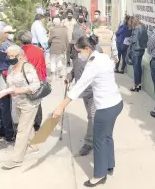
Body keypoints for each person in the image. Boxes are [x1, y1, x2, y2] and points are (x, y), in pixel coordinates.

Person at [53, 36, 123, 187]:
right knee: (107, 136)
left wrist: (60, 107)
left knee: (98, 140)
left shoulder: (92, 64)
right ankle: (109, 165)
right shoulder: (103, 56)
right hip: (117, 103)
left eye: (79, 51)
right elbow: (111, 63)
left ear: (87, 49)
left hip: (105, 108)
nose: (78, 55)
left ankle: (99, 175)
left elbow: (79, 87)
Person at [0, 45, 41, 170]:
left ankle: (16, 159)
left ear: (20, 56)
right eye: (8, 55)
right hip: (17, 103)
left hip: (29, 104)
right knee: (26, 126)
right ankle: (34, 146)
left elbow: (36, 85)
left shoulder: (27, 67)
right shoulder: (11, 67)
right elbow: (10, 87)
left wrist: (19, 91)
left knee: (22, 130)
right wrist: (0, 95)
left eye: (12, 55)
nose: (9, 57)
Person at [65, 34, 103, 156]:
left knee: (92, 117)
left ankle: (89, 142)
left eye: (79, 49)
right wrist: (70, 76)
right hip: (84, 92)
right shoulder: (81, 54)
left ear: (86, 47)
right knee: (91, 116)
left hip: (94, 92)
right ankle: (95, 133)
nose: (77, 52)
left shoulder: (97, 56)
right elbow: (75, 67)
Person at [16, 30, 47, 131]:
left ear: (20, 40)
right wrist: (43, 79)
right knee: (37, 102)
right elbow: (43, 67)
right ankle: (37, 123)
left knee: (25, 104)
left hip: (23, 82)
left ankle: (28, 123)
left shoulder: (19, 52)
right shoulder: (39, 51)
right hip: (37, 80)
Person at [127, 16, 148, 92]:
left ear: (133, 22)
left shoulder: (136, 28)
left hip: (135, 50)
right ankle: (139, 84)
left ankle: (136, 85)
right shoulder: (144, 27)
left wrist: (127, 39)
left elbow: (133, 39)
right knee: (138, 67)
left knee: (136, 68)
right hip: (142, 49)